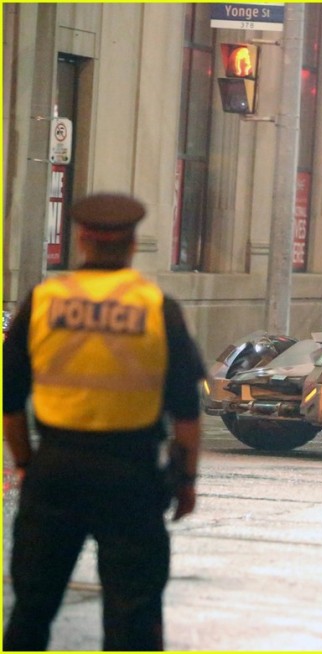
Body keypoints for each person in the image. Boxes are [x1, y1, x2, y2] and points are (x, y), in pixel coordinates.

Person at [3, 193, 207, 651]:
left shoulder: (43, 300)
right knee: (133, 614)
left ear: (81, 240)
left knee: (32, 608)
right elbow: (187, 411)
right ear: (133, 244)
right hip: (130, 475)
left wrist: (25, 463)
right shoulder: (157, 307)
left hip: (55, 470)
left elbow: (9, 399)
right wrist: (187, 479)